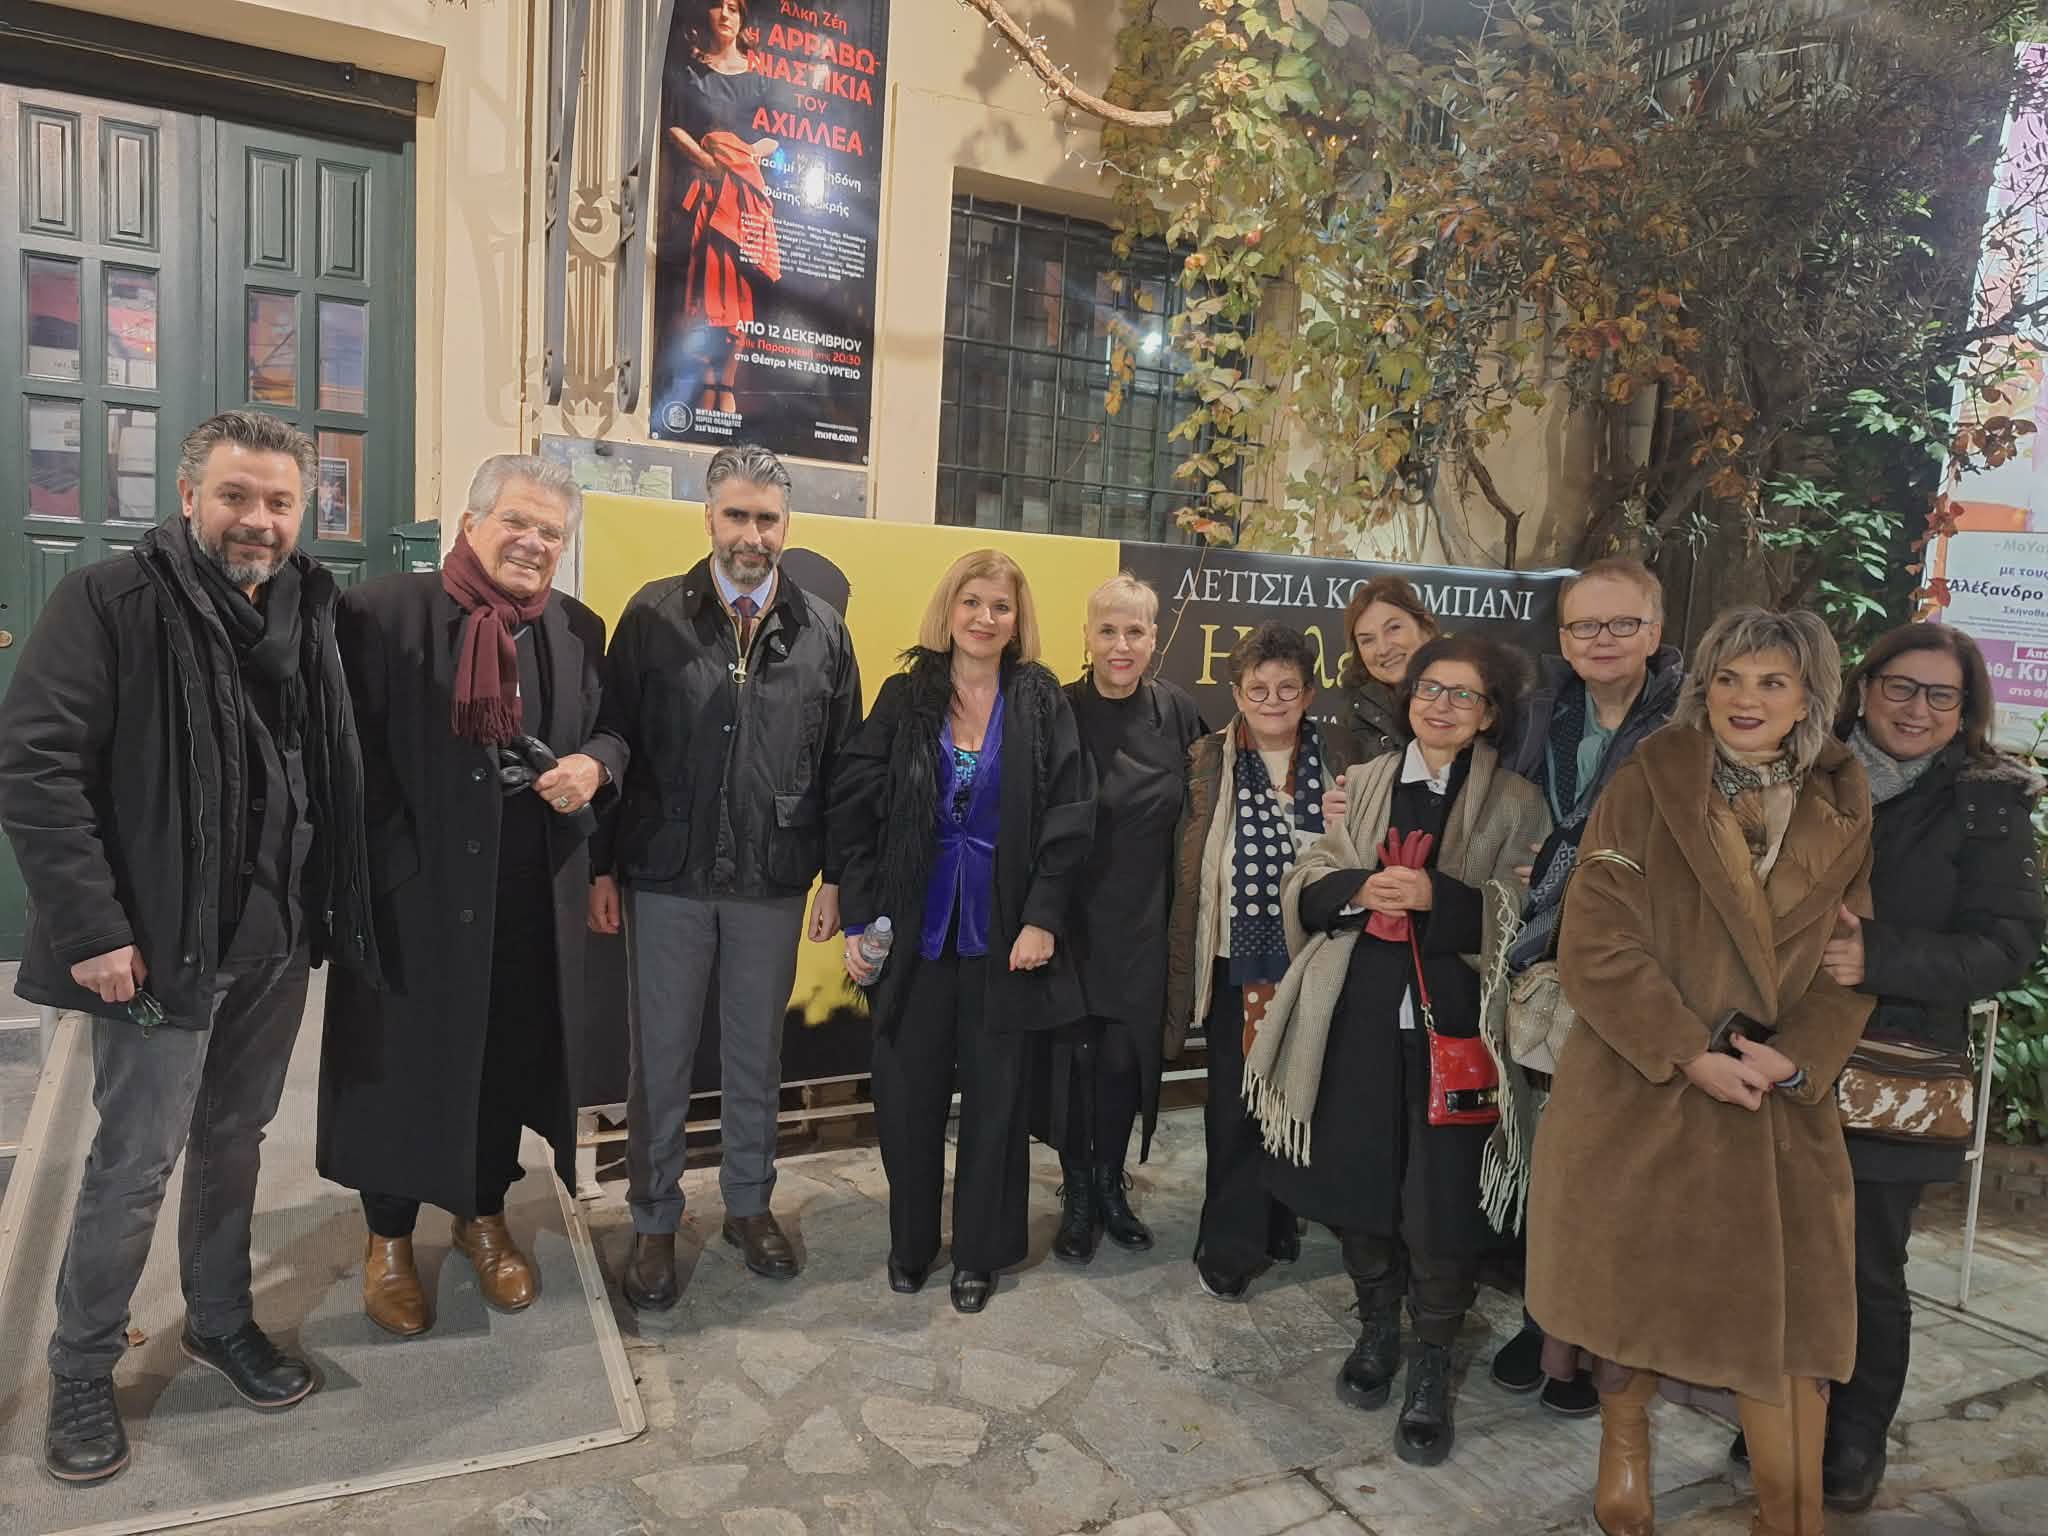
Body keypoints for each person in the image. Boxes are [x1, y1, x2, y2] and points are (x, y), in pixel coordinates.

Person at [0, 410, 377, 1483]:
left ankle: (217, 1319)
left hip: (274, 939)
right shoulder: (110, 602)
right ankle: (82, 1366)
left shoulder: (310, 609)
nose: (258, 519)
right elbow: (34, 766)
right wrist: (93, 929)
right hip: (159, 949)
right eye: (235, 496)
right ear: (187, 498)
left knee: (234, 1140)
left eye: (279, 502)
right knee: (134, 1161)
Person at [1528, 607, 1875, 1536]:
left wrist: (1799, 1057)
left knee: (1788, 1318)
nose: (1745, 699)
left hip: (1775, 1100)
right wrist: (1689, 1051)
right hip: (1643, 1083)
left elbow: (1850, 959)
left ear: (1807, 697)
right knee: (1628, 1286)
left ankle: (1787, 1509)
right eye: (1728, 678)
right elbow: (1596, 938)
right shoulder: (1649, 780)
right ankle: (1625, 1439)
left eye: (1771, 681)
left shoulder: (1844, 800)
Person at [1732, 622, 2041, 1511]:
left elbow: (2008, 945)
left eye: (1941, 695)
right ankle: (1777, 1407)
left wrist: (1882, 956)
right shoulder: (1800, 772)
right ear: (1863, 689)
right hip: (1778, 1046)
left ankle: (1854, 1433)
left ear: (1965, 709)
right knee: (1771, 1247)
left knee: (1864, 1260)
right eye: (1900, 687)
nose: (1917, 709)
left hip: (1892, 1063)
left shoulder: (1987, 802)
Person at [320, 456, 628, 1338]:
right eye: (516, 522)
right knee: (399, 1066)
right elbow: (343, 758)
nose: (532, 543)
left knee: (503, 1059)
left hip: (529, 896)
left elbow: (613, 729)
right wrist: (383, 873)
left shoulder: (576, 628)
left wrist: (594, 765)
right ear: (470, 524)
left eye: (550, 532)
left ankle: (482, 1214)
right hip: (411, 899)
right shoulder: (381, 613)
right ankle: (388, 1238)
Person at [1247, 635, 1548, 1466]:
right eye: (1429, 690)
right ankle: (1378, 1328)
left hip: (1459, 1035)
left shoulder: (1518, 801)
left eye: (1463, 695)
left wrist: (1438, 899)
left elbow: (1529, 911)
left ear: (1488, 714)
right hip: (1357, 1020)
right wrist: (1357, 889)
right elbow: (1310, 873)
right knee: (1362, 1183)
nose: (1441, 706)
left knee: (1441, 1201)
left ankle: (1433, 1361)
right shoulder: (1365, 781)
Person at [592, 443, 863, 1304]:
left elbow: (845, 768)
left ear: (787, 525)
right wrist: (601, 866)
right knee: (659, 1060)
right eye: (737, 515)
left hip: (771, 879)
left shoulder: (823, 631)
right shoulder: (652, 615)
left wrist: (838, 877)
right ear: (708, 517)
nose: (752, 534)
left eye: (767, 519)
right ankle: (654, 1221)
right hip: (665, 874)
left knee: (757, 1056)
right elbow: (614, 739)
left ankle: (749, 1206)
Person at [829, 550, 1094, 1313]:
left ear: (1017, 620)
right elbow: (856, 806)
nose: (984, 617)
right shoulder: (906, 696)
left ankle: (979, 1252)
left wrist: (1042, 917)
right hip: (913, 932)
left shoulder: (1040, 701)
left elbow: (1070, 815)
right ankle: (911, 1243)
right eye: (971, 602)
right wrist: (856, 916)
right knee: (905, 1097)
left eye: (1000, 606)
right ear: (948, 610)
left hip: (1005, 936)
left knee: (996, 1100)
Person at [1490, 556, 1683, 1413]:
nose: (1601, 640)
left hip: (1638, 963)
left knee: (1616, 1164)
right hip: (1540, 961)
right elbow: (1497, 802)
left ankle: (1605, 1338)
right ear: (1564, 639)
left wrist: (1587, 863)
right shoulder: (1541, 714)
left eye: (1621, 624)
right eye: (1583, 626)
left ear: (1655, 631)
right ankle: (1548, 1321)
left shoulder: (1688, 723)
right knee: (1551, 1155)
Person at [1164, 624, 1365, 1302]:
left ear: (1308, 694)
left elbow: (1359, 854)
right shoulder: (1206, 759)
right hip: (1238, 965)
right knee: (1236, 1107)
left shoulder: (1342, 759)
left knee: (1299, 1097)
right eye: (1258, 688)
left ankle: (1280, 1219)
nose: (1272, 700)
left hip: (1317, 967)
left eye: (1287, 688)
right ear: (1236, 693)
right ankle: (1229, 1241)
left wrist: (1346, 822)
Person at [1039, 574, 1205, 1261]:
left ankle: (1111, 1185)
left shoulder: (1179, 714)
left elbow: (1206, 808)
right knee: (1072, 1065)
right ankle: (1077, 1193)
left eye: (1135, 631)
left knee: (1121, 1065)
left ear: (1154, 639)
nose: (1120, 644)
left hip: (1144, 924)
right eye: (1107, 630)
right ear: (1086, 635)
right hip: (1068, 922)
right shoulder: (1056, 709)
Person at [664, 0, 781, 421]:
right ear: (707, 16)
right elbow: (674, 127)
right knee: (703, 291)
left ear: (743, 19)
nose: (726, 14)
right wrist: (707, 160)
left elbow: (774, 137)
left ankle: (725, 388)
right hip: (703, 196)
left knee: (738, 297)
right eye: (719, 6)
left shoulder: (760, 82)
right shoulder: (690, 74)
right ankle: (704, 388)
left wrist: (747, 156)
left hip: (742, 199)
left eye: (734, 7)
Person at [1338, 576, 1439, 758]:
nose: (1383, 649)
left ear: (1425, 626)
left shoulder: (1467, 691)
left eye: (1394, 628)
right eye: (1367, 640)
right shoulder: (1356, 714)